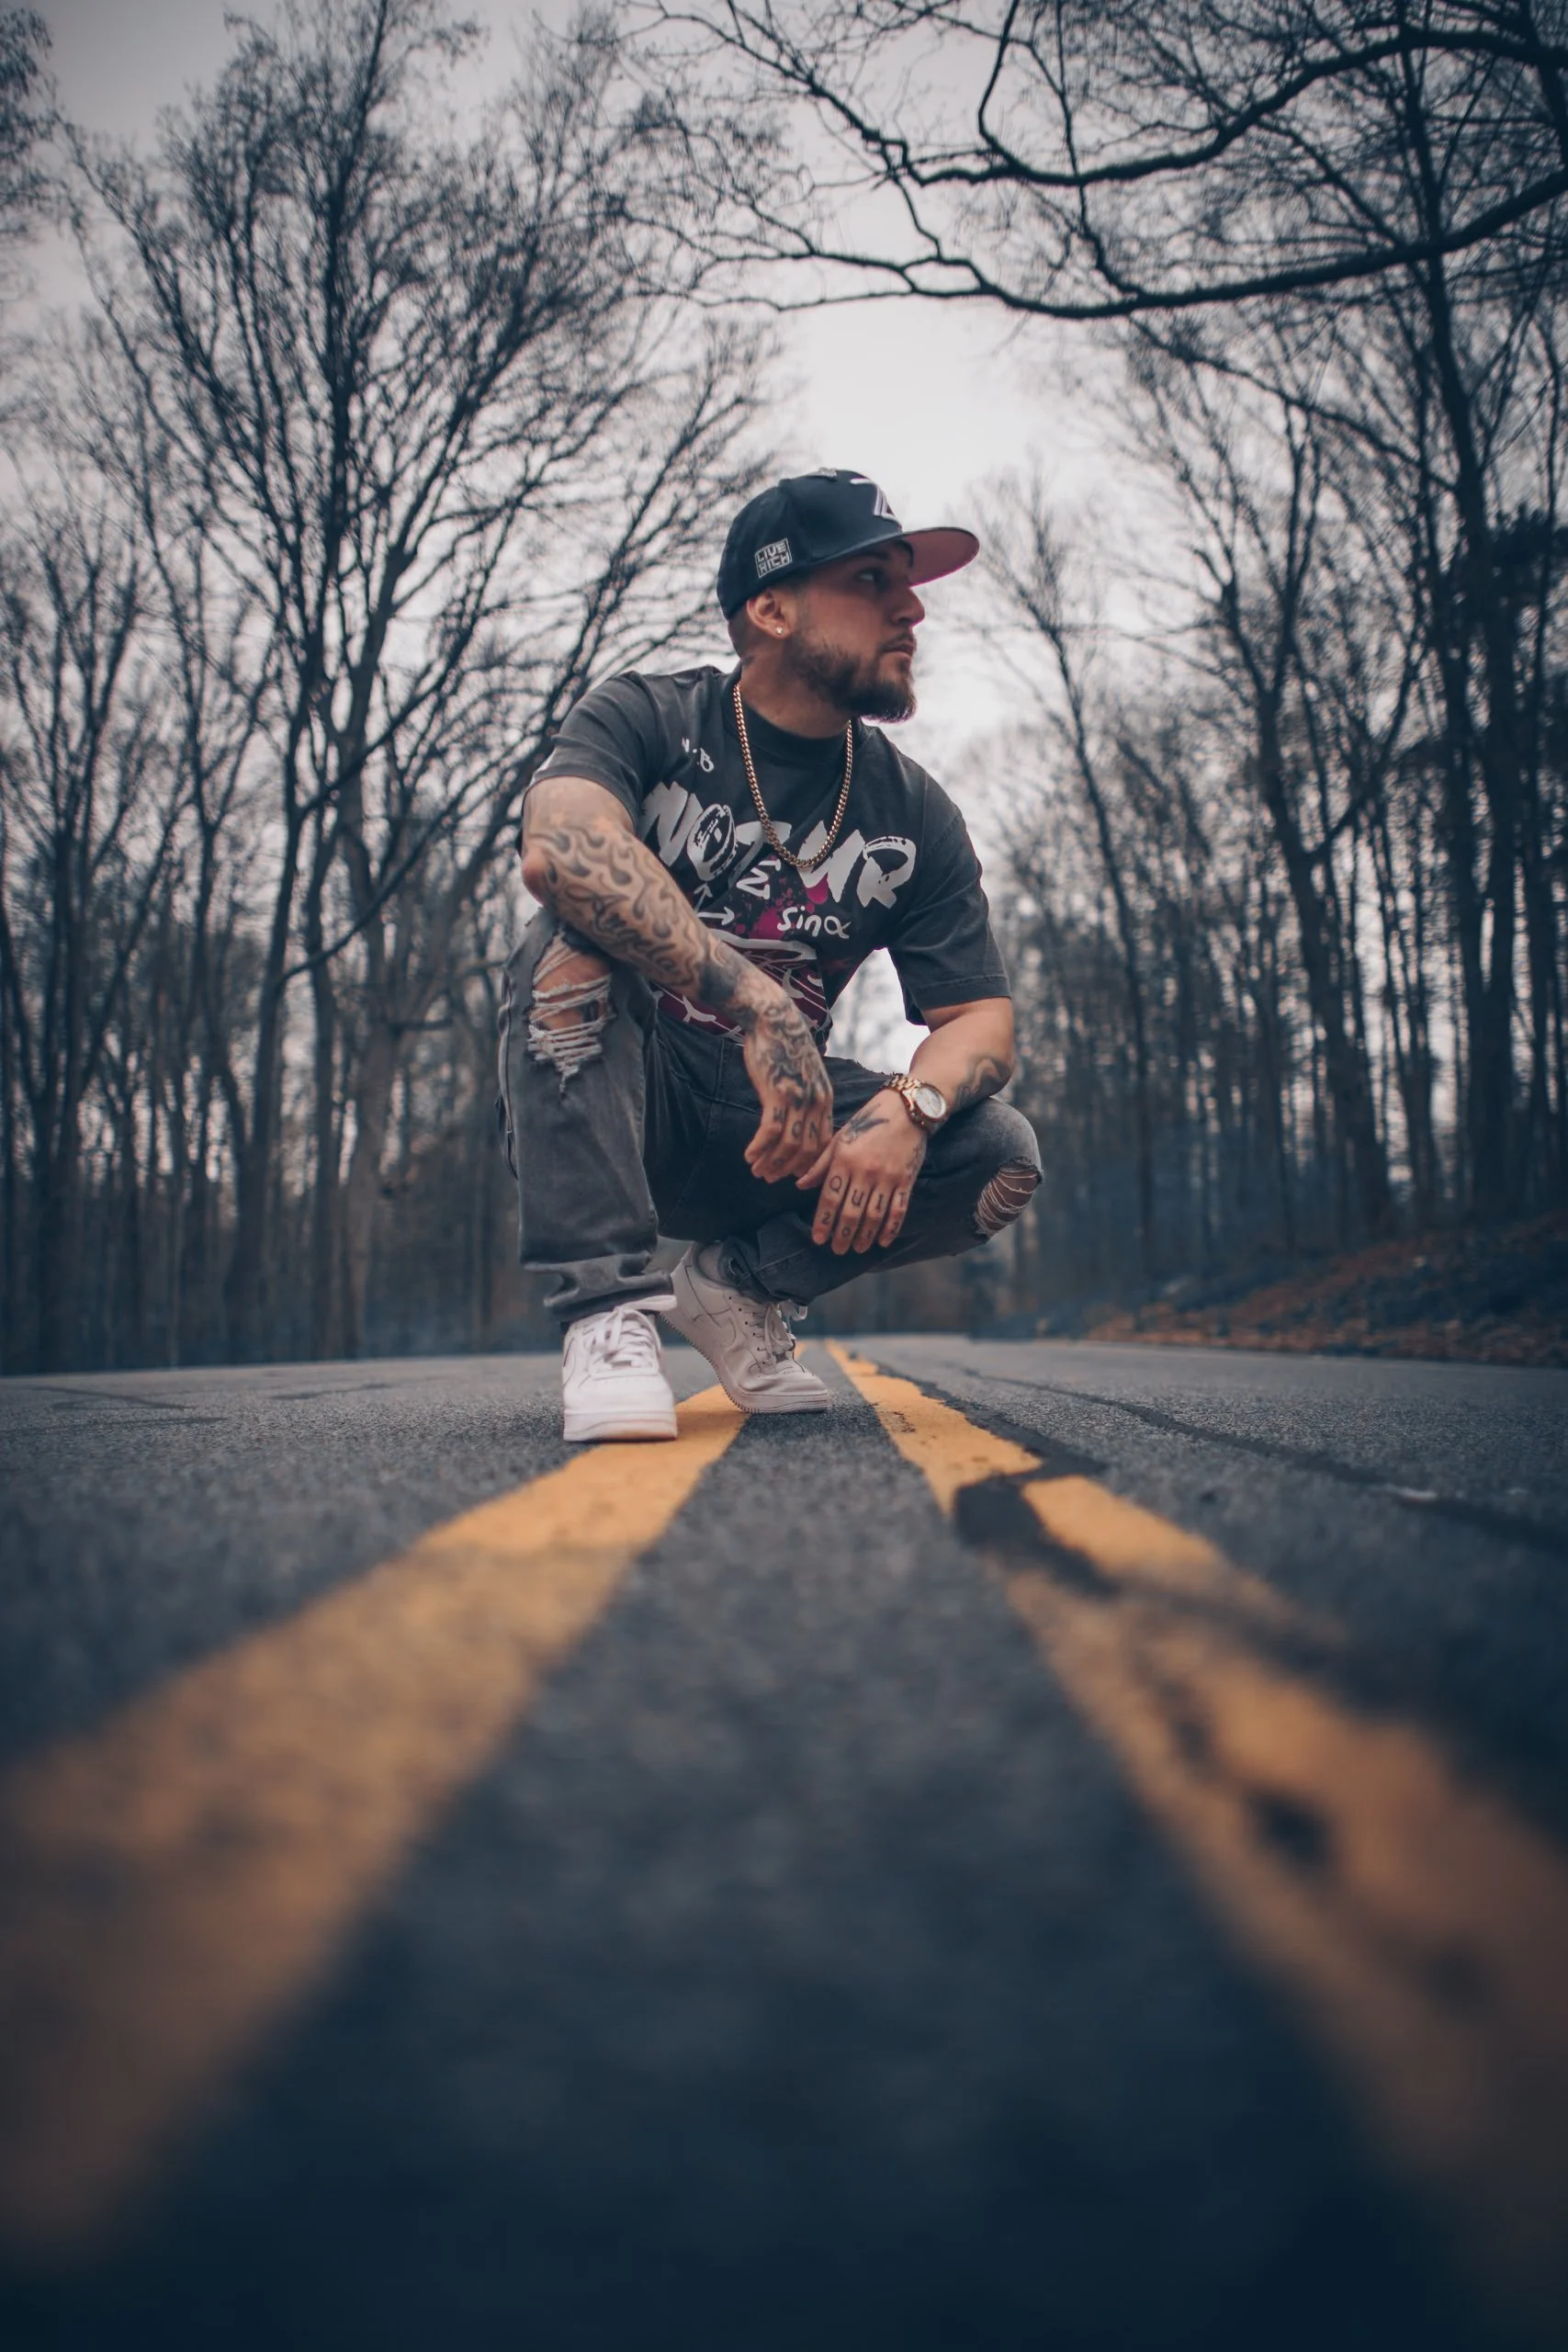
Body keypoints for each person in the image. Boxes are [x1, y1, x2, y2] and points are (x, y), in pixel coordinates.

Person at [502, 469, 1042, 1441]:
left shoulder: (911, 810)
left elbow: (983, 1021)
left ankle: (738, 1287)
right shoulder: (653, 715)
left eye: (908, 585)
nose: (912, 607)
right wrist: (759, 1003)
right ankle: (606, 1313)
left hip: (772, 1132)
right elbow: (563, 846)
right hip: (623, 1099)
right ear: (771, 606)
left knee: (996, 1152)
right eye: (873, 580)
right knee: (568, 949)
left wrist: (908, 1113)